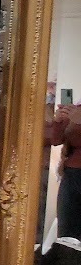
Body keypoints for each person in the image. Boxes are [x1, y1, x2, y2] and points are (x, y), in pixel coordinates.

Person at [49, 101, 81, 240]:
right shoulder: (76, 109)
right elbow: (56, 140)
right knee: (66, 229)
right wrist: (58, 121)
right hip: (71, 174)